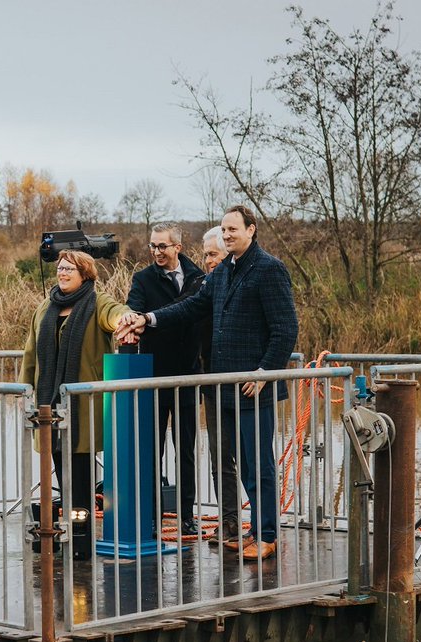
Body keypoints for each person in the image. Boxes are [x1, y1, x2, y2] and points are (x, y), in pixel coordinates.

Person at [116, 206, 297, 561]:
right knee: (241, 465)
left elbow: (285, 328)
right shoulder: (224, 271)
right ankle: (252, 529)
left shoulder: (270, 269)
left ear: (251, 230)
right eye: (224, 230)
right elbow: (191, 307)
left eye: (233, 229)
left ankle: (267, 534)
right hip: (223, 385)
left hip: (253, 385)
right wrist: (147, 319)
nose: (227, 235)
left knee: (258, 464)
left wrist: (265, 373)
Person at [19, 249, 136, 559]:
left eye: (69, 268)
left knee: (81, 474)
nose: (62, 273)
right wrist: (23, 388)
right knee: (59, 470)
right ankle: (63, 533)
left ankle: (81, 544)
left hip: (82, 407)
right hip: (49, 406)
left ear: (86, 273)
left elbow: (115, 312)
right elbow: (31, 353)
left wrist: (125, 317)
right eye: (60, 268)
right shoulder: (46, 306)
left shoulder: (97, 303)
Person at [125, 223, 205, 536]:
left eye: (163, 246)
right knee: (151, 449)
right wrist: (133, 319)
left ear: (178, 247)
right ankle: (151, 514)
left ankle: (186, 515)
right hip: (154, 377)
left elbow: (196, 313)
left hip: (187, 376)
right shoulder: (143, 279)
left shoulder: (199, 277)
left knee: (185, 449)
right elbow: (134, 308)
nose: (157, 252)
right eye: (153, 246)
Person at [193, 226, 239, 542]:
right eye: (206, 255)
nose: (208, 261)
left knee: (250, 459)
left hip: (244, 384)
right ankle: (229, 522)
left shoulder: (243, 282)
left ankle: (264, 527)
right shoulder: (204, 286)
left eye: (213, 254)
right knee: (219, 457)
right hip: (212, 382)